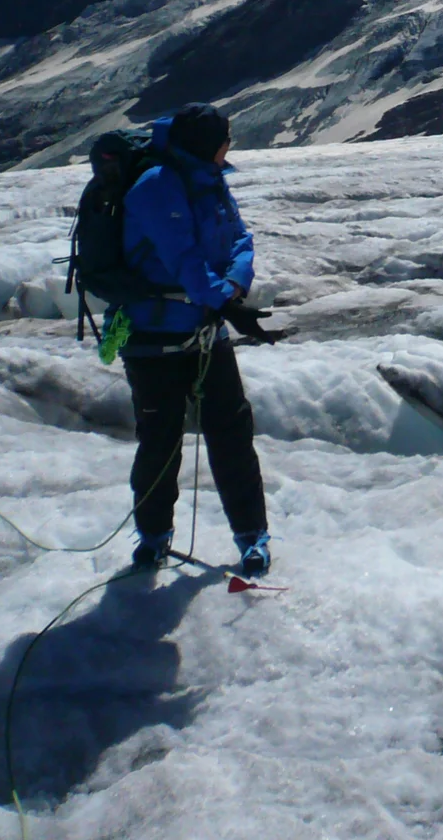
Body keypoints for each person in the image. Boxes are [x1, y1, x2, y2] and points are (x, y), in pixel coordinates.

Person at [120, 103, 272, 577]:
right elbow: (183, 257)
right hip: (155, 335)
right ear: (208, 144)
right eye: (225, 138)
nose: (230, 146)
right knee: (160, 441)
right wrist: (224, 301)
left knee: (231, 435)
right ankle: (153, 537)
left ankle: (252, 536)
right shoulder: (156, 186)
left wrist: (231, 289)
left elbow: (240, 239)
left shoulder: (209, 177)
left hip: (204, 328)